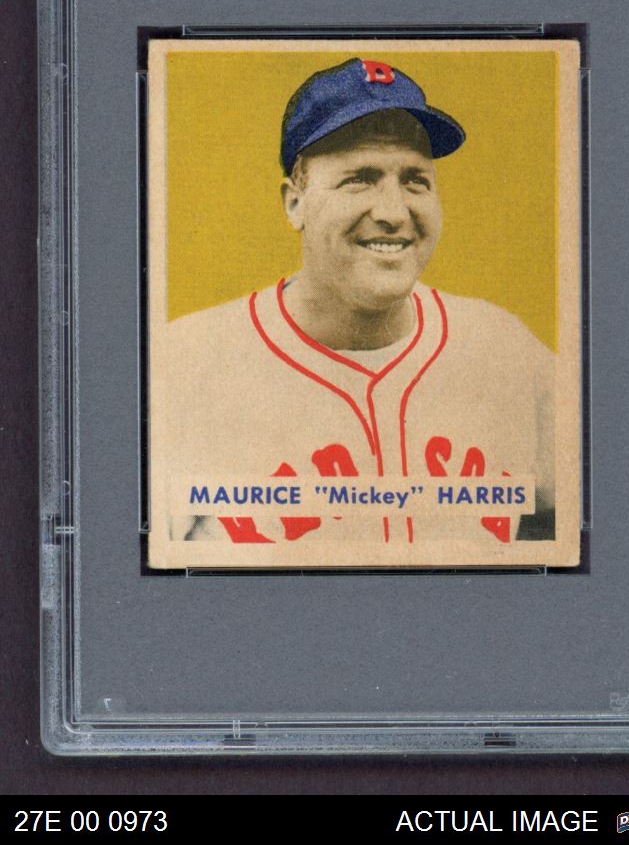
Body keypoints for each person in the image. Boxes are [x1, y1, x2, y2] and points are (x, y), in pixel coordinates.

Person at [151, 57, 555, 566]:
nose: (392, 212)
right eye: (360, 179)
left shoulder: (506, 349)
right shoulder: (181, 364)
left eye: (415, 180)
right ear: (294, 203)